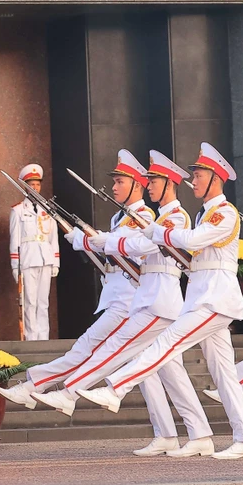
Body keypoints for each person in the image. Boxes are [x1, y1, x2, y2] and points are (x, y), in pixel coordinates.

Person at [79, 143, 243, 460]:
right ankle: (240, 439)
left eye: (199, 174)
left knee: (166, 342)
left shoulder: (225, 213)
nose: (194, 181)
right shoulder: (205, 213)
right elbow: (188, 254)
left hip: (215, 299)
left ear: (216, 177)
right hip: (201, 296)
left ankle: (117, 387)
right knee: (224, 374)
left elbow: (192, 241)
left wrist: (155, 232)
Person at [30, 151, 213, 457]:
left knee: (117, 346)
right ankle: (189, 434)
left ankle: (71, 391)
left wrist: (105, 240)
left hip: (160, 303)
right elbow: (137, 247)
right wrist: (102, 240)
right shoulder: (158, 218)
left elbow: (142, 245)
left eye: (153, 181)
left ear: (168, 183)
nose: (149, 185)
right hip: (150, 299)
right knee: (168, 374)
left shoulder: (176, 217)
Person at [0, 151, 169, 430]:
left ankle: (33, 385)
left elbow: (123, 246)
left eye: (119, 182)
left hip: (128, 301)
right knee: (156, 375)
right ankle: (170, 434)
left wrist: (86, 240)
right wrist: (88, 243)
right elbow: (111, 250)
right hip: (118, 296)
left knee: (86, 348)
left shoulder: (144, 217)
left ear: (136, 184)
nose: (113, 187)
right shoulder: (120, 218)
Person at [9, 163, 59, 340]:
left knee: (43, 301)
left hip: (45, 258)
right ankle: (31, 338)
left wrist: (55, 261)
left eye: (38, 184)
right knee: (29, 301)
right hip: (28, 260)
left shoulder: (48, 210)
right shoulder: (18, 211)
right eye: (32, 184)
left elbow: (53, 238)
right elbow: (14, 241)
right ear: (25, 186)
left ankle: (43, 337)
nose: (35, 187)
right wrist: (16, 266)